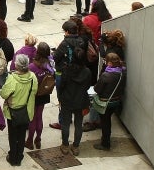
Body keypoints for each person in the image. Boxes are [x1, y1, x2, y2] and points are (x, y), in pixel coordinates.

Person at [53, 20, 92, 157]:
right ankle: (76, 146)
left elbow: (62, 86)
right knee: (78, 123)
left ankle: (65, 144)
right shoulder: (87, 72)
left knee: (65, 122)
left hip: (67, 99)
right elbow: (87, 85)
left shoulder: (66, 71)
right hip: (81, 100)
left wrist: (60, 97)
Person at [0, 54, 38, 166]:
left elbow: (3, 94)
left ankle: (13, 157)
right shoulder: (33, 77)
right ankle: (19, 156)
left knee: (12, 135)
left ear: (17, 66)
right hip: (26, 111)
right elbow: (35, 91)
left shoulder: (12, 79)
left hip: (13, 112)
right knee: (22, 134)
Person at [92, 53, 127, 151]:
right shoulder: (122, 73)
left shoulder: (106, 75)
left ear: (110, 63)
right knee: (107, 120)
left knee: (105, 122)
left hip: (105, 103)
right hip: (116, 101)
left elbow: (97, 89)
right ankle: (105, 139)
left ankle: (105, 144)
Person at [26, 42, 55, 150]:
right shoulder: (50, 64)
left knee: (32, 118)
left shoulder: (32, 66)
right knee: (39, 116)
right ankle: (38, 139)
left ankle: (29, 141)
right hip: (44, 93)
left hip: (34, 95)